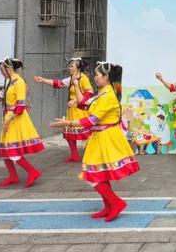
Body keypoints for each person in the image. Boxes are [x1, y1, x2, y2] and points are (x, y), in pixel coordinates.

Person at [50, 62, 139, 222]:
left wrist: (68, 123)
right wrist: (76, 85)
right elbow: (84, 104)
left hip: (106, 137)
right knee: (100, 174)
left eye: (97, 75)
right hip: (100, 137)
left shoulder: (108, 95)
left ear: (106, 77)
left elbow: (91, 120)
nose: (95, 77)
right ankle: (109, 206)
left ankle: (116, 203)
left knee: (91, 175)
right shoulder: (103, 93)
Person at [0, 58, 44, 187]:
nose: (1, 72)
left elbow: (20, 106)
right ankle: (13, 176)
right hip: (9, 118)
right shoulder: (9, 82)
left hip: (15, 119)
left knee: (11, 150)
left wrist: (7, 122)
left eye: (1, 70)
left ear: (9, 68)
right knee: (5, 150)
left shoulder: (19, 82)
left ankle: (33, 172)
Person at [34, 57, 94, 162]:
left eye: (72, 66)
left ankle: (93, 155)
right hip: (72, 110)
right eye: (69, 66)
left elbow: (90, 92)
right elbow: (59, 83)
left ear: (78, 68)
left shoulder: (83, 78)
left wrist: (75, 101)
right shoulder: (72, 78)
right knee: (69, 134)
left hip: (81, 110)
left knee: (86, 134)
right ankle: (74, 155)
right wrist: (43, 80)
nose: (69, 68)